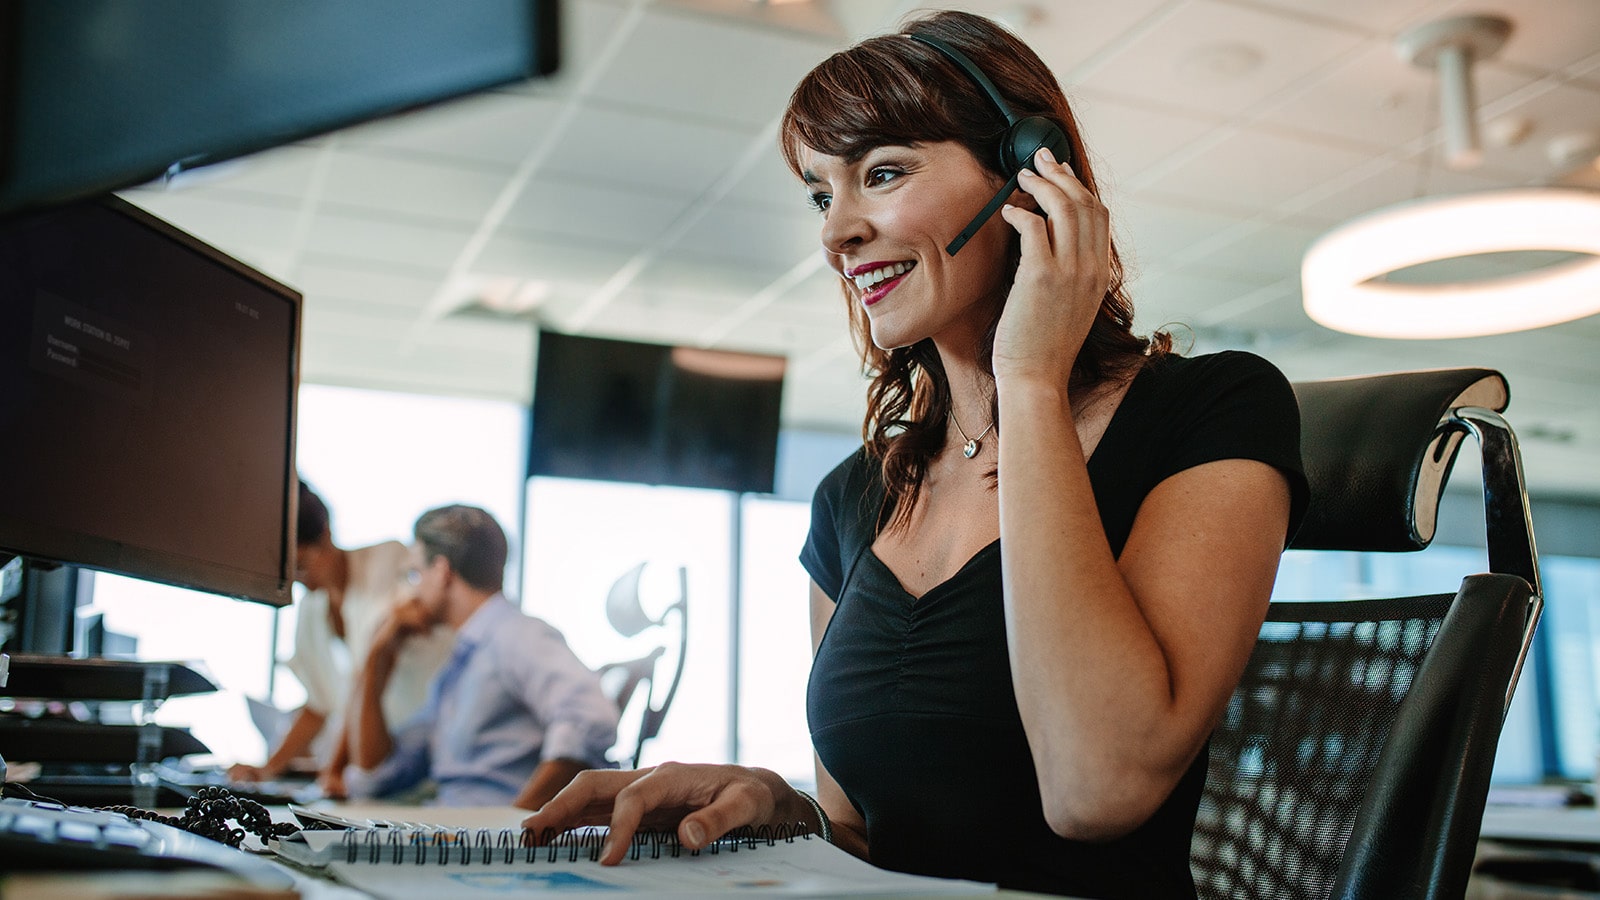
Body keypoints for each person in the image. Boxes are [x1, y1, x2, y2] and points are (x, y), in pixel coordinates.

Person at [523, 10, 1309, 899]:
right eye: (823, 194)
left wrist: (1030, 379)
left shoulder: (1213, 409)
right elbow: (861, 836)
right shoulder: (851, 496)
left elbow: (1098, 790)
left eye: (882, 174)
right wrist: (778, 804)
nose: (836, 234)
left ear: (1030, 175)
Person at [346, 504, 620, 809]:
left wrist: (515, 829)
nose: (411, 591)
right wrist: (376, 661)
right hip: (456, 831)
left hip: (488, 842)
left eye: (414, 574)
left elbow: (589, 719)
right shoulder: (461, 664)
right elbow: (378, 773)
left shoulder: (516, 634)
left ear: (441, 571)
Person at [229, 481, 453, 797]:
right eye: (290, 572)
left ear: (326, 536)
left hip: (420, 755)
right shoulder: (312, 607)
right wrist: (267, 769)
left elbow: (371, 673)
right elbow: (319, 705)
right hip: (370, 772)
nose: (300, 580)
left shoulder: (389, 562)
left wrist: (333, 769)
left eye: (302, 566)